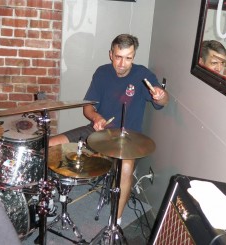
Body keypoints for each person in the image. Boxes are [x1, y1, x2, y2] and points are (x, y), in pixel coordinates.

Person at [49, 34, 169, 225]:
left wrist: (161, 95)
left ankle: (116, 221)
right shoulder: (102, 73)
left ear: (133, 57)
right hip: (97, 130)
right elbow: (87, 107)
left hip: (127, 137)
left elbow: (163, 100)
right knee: (51, 144)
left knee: (127, 168)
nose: (122, 63)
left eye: (128, 58)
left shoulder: (142, 75)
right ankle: (49, 200)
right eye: (118, 57)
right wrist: (96, 118)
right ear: (111, 54)